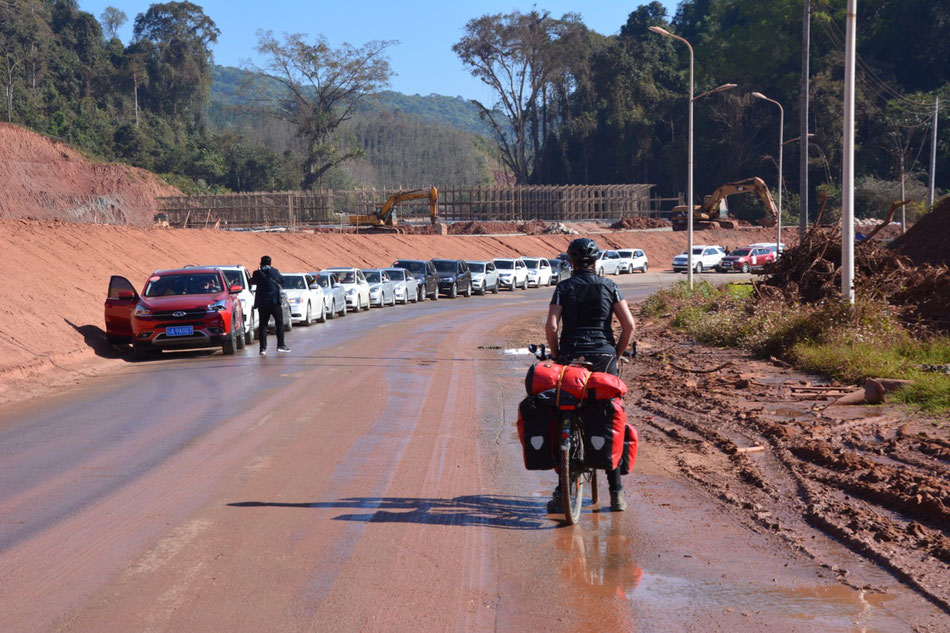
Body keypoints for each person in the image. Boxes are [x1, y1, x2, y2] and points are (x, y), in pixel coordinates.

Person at [544, 237, 636, 512]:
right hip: (604, 356)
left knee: (564, 410)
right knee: (610, 415)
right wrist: (615, 355)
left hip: (572, 355)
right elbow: (629, 325)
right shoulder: (610, 286)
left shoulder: (564, 287)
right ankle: (617, 494)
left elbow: (551, 326)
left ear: (570, 262)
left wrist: (558, 353)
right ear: (596, 262)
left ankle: (563, 490)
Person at [252, 255, 290, 355]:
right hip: (274, 302)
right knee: (279, 323)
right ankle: (280, 345)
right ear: (270, 263)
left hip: (262, 303)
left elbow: (252, 281)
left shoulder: (257, 273)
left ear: (261, 263)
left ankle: (262, 349)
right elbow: (282, 280)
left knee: (263, 325)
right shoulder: (274, 271)